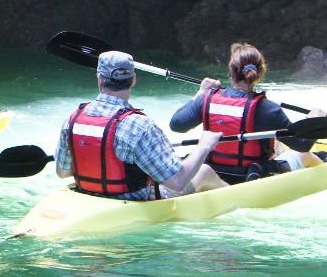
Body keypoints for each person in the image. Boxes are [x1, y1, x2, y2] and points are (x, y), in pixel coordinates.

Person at [54, 51, 227, 200]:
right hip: (135, 201)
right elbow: (177, 182)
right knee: (204, 171)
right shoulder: (139, 126)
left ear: (99, 79)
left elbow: (63, 173)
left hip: (88, 195)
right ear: (133, 80)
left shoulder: (74, 117)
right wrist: (204, 146)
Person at [169, 42, 327, 184]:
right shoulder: (268, 109)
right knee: (305, 156)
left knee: (279, 146)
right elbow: (302, 145)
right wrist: (314, 121)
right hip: (250, 177)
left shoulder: (206, 99)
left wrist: (201, 92)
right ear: (260, 73)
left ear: (231, 72)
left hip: (213, 171)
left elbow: (177, 125)